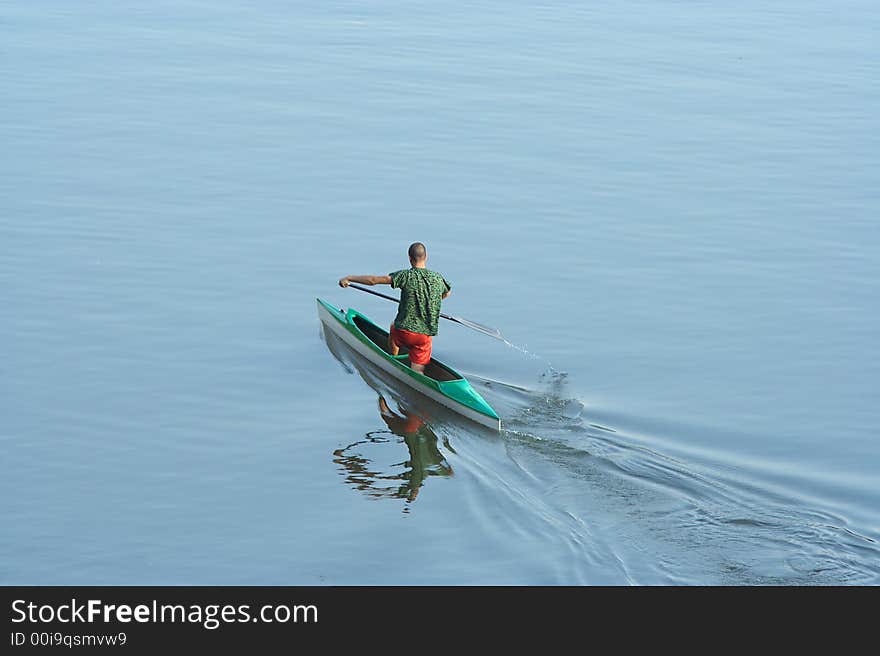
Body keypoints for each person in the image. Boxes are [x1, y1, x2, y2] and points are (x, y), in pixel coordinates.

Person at [338, 242, 451, 373]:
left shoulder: (405, 276)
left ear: (409, 258)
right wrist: (430, 301)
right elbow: (447, 293)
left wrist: (349, 278)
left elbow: (373, 280)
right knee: (419, 363)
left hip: (403, 332)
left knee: (393, 327)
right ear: (426, 257)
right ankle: (417, 374)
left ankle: (392, 359)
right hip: (424, 336)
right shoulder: (438, 278)